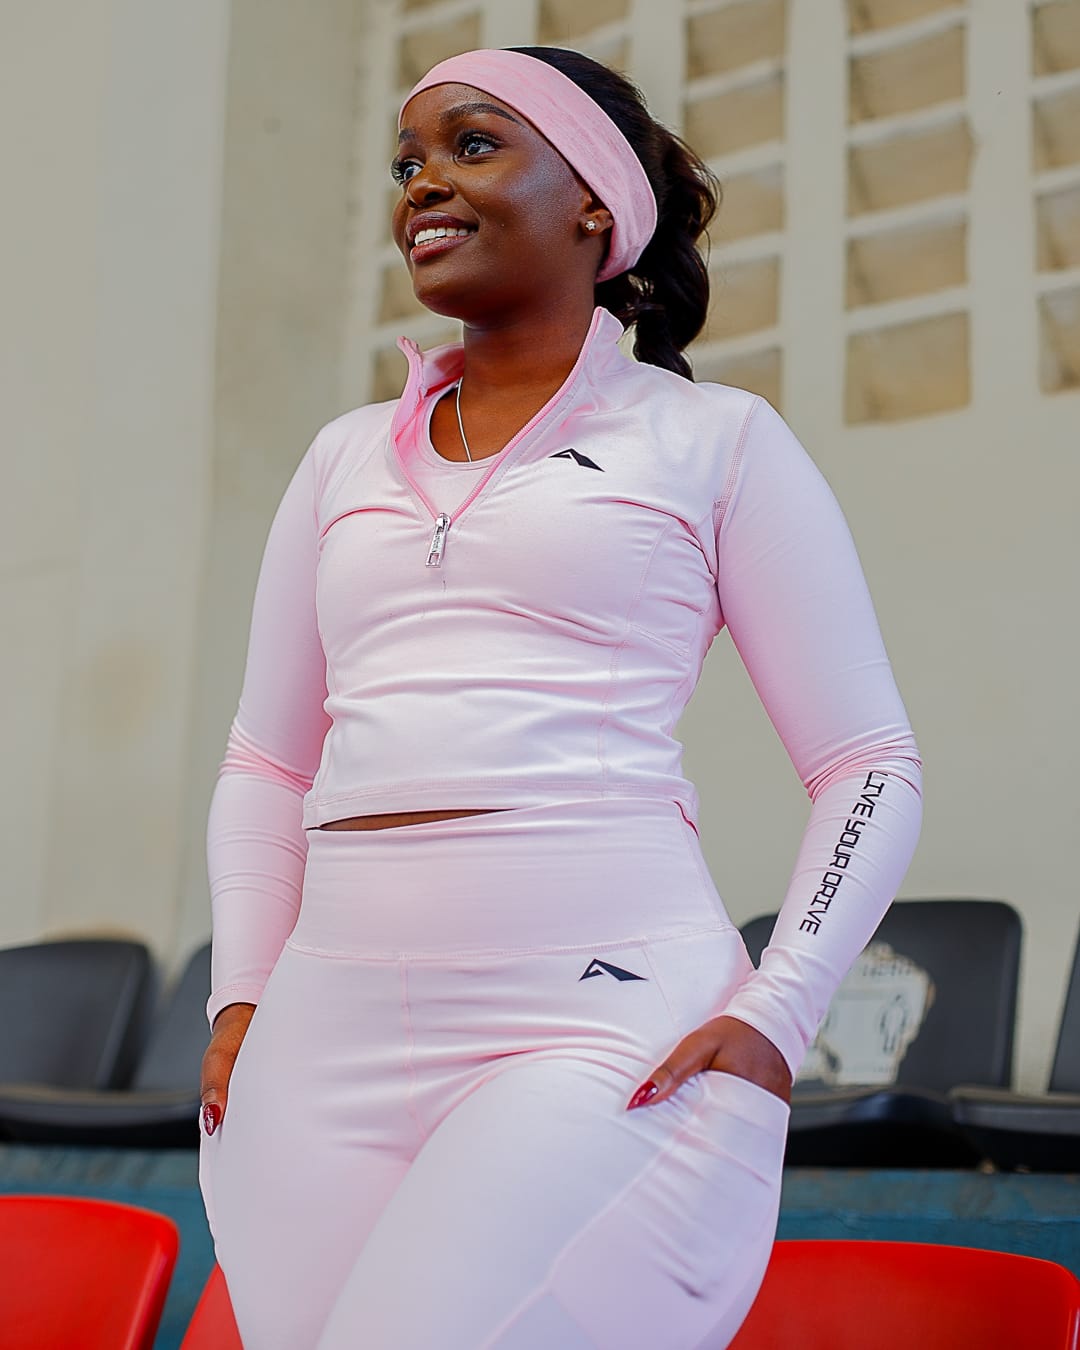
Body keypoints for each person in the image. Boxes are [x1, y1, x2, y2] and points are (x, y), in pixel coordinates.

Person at [198, 45, 922, 1349]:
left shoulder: (714, 441)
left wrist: (782, 1007)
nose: (423, 182)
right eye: (407, 162)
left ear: (597, 201)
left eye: (474, 144)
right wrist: (241, 995)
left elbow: (869, 763)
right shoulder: (338, 458)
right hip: (318, 1034)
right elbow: (265, 766)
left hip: (594, 1012)